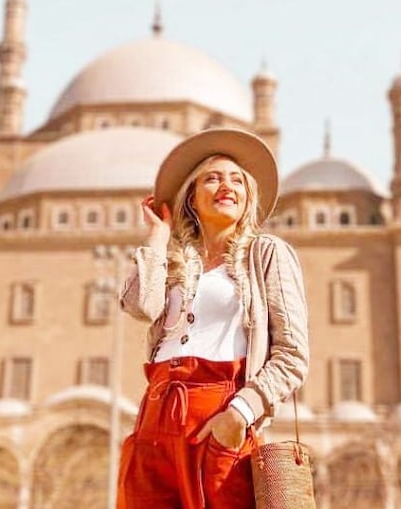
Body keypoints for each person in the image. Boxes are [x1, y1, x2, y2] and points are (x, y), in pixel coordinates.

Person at [118, 126, 310, 508]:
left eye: (237, 180)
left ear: (247, 197)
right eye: (213, 178)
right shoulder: (175, 264)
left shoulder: (266, 254)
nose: (227, 186)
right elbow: (140, 306)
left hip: (220, 414)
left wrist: (239, 414)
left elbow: (292, 355)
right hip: (154, 417)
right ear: (191, 195)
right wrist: (158, 237)